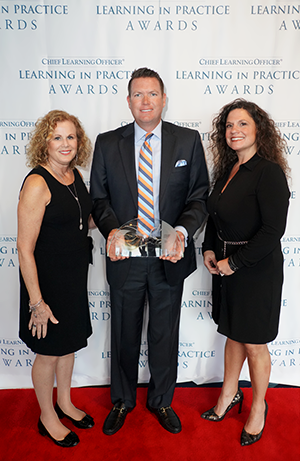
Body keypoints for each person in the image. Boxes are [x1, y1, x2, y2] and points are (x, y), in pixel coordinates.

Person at [90, 67, 209, 435]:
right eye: (138, 95)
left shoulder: (187, 141)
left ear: (164, 99)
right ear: (128, 101)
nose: (145, 101)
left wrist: (182, 233)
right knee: (124, 333)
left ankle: (161, 400)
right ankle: (123, 400)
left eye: (152, 94)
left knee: (164, 334)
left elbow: (198, 197)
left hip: (168, 258)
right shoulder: (107, 143)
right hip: (125, 258)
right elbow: (99, 199)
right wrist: (111, 231)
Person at [201, 99, 290, 446]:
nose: (234, 131)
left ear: (258, 130)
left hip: (256, 270)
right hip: (224, 266)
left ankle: (258, 408)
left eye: (242, 125)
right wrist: (209, 248)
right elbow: (214, 216)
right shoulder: (228, 172)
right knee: (232, 333)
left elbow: (272, 231)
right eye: (229, 126)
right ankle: (228, 395)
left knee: (254, 342)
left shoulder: (268, 172)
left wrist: (234, 263)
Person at [18, 110, 95, 448]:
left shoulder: (73, 174)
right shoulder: (38, 182)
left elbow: (81, 221)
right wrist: (37, 302)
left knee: (68, 346)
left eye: (71, 137)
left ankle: (64, 402)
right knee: (48, 352)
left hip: (74, 279)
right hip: (45, 284)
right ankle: (47, 416)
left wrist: (125, 222)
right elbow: (23, 248)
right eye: (57, 137)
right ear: (45, 143)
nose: (66, 144)